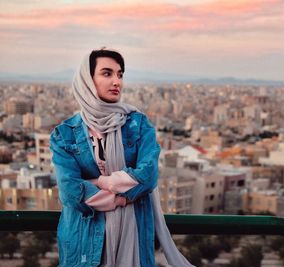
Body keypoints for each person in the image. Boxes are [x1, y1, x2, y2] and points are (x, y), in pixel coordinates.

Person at [50, 48, 194, 267]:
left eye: (120, 74)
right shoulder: (65, 134)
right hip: (84, 244)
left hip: (132, 238)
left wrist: (99, 182)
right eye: (107, 73)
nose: (116, 81)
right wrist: (120, 199)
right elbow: (70, 192)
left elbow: (147, 177)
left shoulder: (138, 125)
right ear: (88, 80)